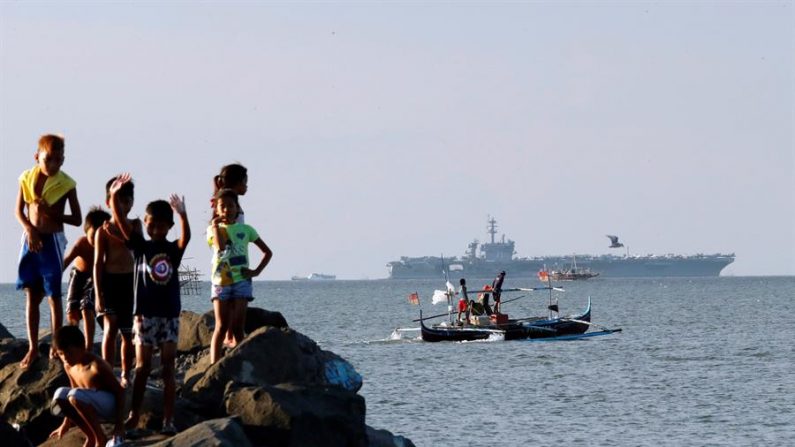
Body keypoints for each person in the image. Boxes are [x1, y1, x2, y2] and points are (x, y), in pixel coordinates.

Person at [107, 173, 190, 435]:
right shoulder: (140, 247)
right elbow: (120, 223)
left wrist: (183, 215)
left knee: (168, 368)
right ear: (145, 223)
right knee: (141, 367)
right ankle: (133, 416)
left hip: (169, 315)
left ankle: (168, 419)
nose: (156, 230)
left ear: (168, 226)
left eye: (162, 226)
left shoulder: (173, 251)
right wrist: (113, 197)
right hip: (144, 315)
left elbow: (185, 239)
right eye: (151, 225)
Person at [15, 134, 82, 369]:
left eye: (59, 161)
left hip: (52, 242)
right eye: (49, 160)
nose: (54, 165)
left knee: (53, 296)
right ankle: (33, 347)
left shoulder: (66, 184)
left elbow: (77, 218)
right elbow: (19, 211)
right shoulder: (27, 179)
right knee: (32, 295)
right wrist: (30, 230)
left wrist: (54, 214)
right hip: (31, 241)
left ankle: (57, 344)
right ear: (37, 157)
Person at [208, 188, 273, 364]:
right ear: (217, 209)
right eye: (223, 206)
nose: (227, 209)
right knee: (220, 327)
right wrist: (215, 226)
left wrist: (256, 271)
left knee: (238, 327)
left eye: (231, 205)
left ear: (238, 208)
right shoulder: (212, 230)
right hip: (220, 281)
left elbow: (267, 252)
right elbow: (221, 247)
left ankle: (242, 363)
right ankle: (214, 366)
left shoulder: (246, 229)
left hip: (241, 281)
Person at [94, 175, 141, 387]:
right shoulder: (100, 231)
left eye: (128, 200)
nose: (124, 205)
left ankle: (125, 372)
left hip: (131, 282)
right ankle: (107, 371)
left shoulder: (136, 224)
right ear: (109, 202)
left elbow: (134, 244)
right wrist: (98, 293)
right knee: (110, 327)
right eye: (119, 200)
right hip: (110, 282)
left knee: (127, 332)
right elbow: (97, 264)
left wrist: (116, 236)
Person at [48, 325, 125, 447]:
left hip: (110, 406)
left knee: (75, 395)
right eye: (61, 354)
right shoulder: (68, 366)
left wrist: (119, 426)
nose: (66, 357)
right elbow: (72, 391)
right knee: (60, 394)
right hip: (89, 405)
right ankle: (91, 436)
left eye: (69, 352)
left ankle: (100, 439)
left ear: (82, 347)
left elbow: (120, 392)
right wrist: (65, 423)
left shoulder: (96, 366)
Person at [62, 207, 111, 351]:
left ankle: (88, 346)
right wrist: (52, 278)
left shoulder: (107, 246)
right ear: (86, 231)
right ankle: (71, 343)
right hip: (77, 276)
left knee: (87, 307)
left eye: (100, 235)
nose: (96, 240)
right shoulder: (81, 243)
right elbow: (66, 261)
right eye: (93, 235)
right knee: (72, 312)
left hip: (94, 279)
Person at [211, 163, 249, 348]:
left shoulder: (222, 204)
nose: (247, 186)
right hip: (231, 259)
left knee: (231, 301)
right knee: (233, 301)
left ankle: (229, 336)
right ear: (237, 183)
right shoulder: (233, 208)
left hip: (225, 262)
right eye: (245, 182)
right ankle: (231, 337)